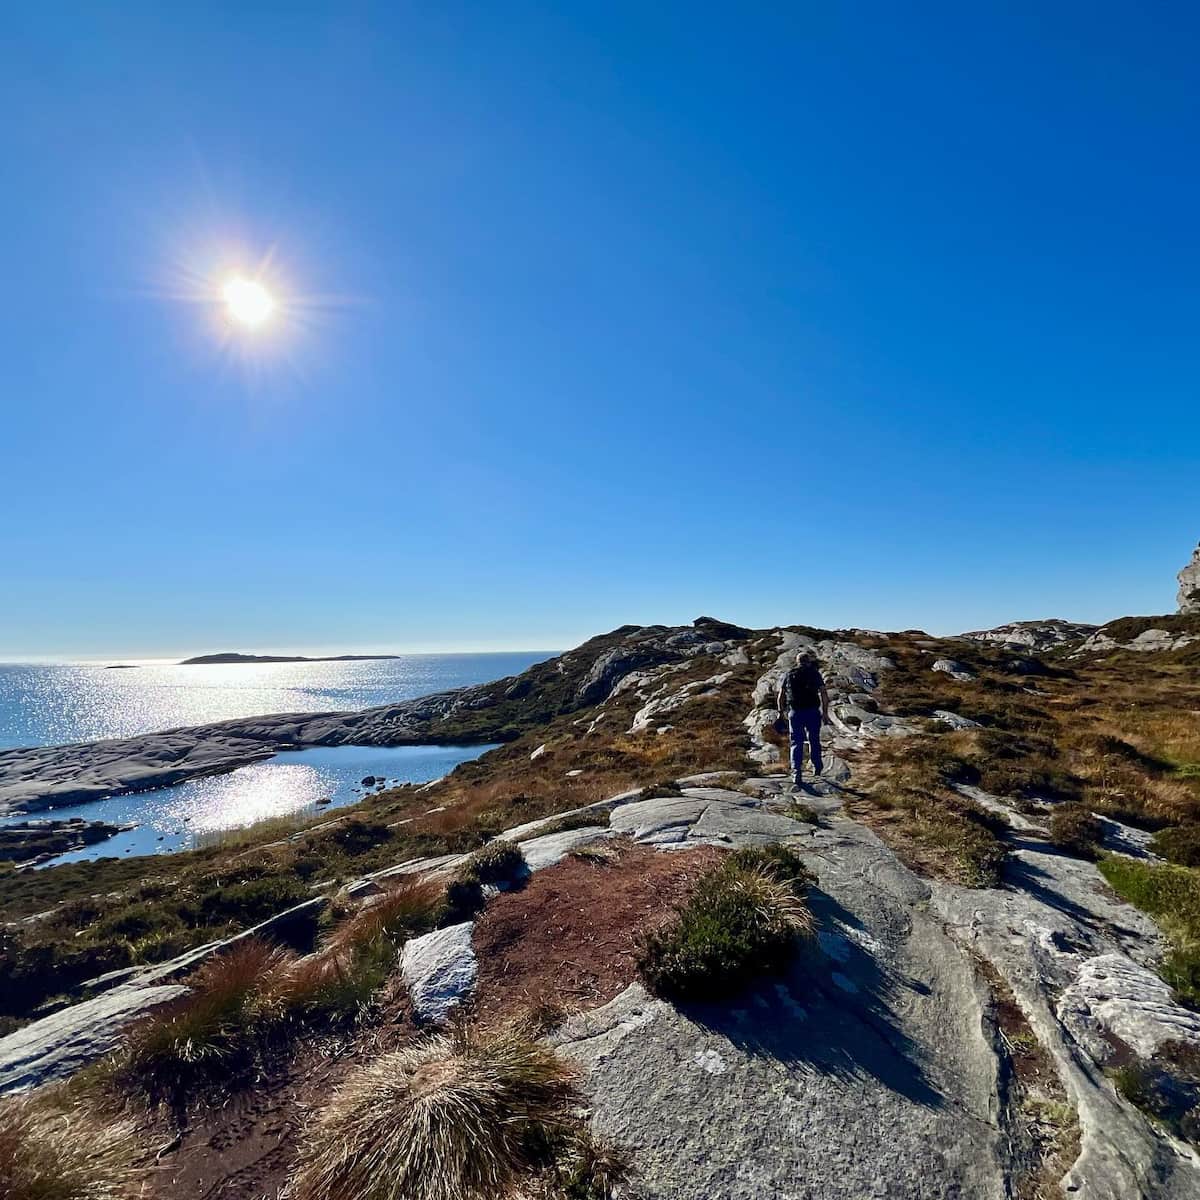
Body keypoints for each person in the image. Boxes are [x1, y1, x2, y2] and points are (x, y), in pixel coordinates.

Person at [776, 651, 830, 788]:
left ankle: (796, 772)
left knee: (796, 742)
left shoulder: (789, 674)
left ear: (797, 661)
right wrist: (825, 713)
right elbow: (823, 693)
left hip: (795, 713)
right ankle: (817, 766)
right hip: (812, 711)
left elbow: (781, 695)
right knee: (814, 739)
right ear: (809, 661)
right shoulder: (814, 673)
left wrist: (780, 712)